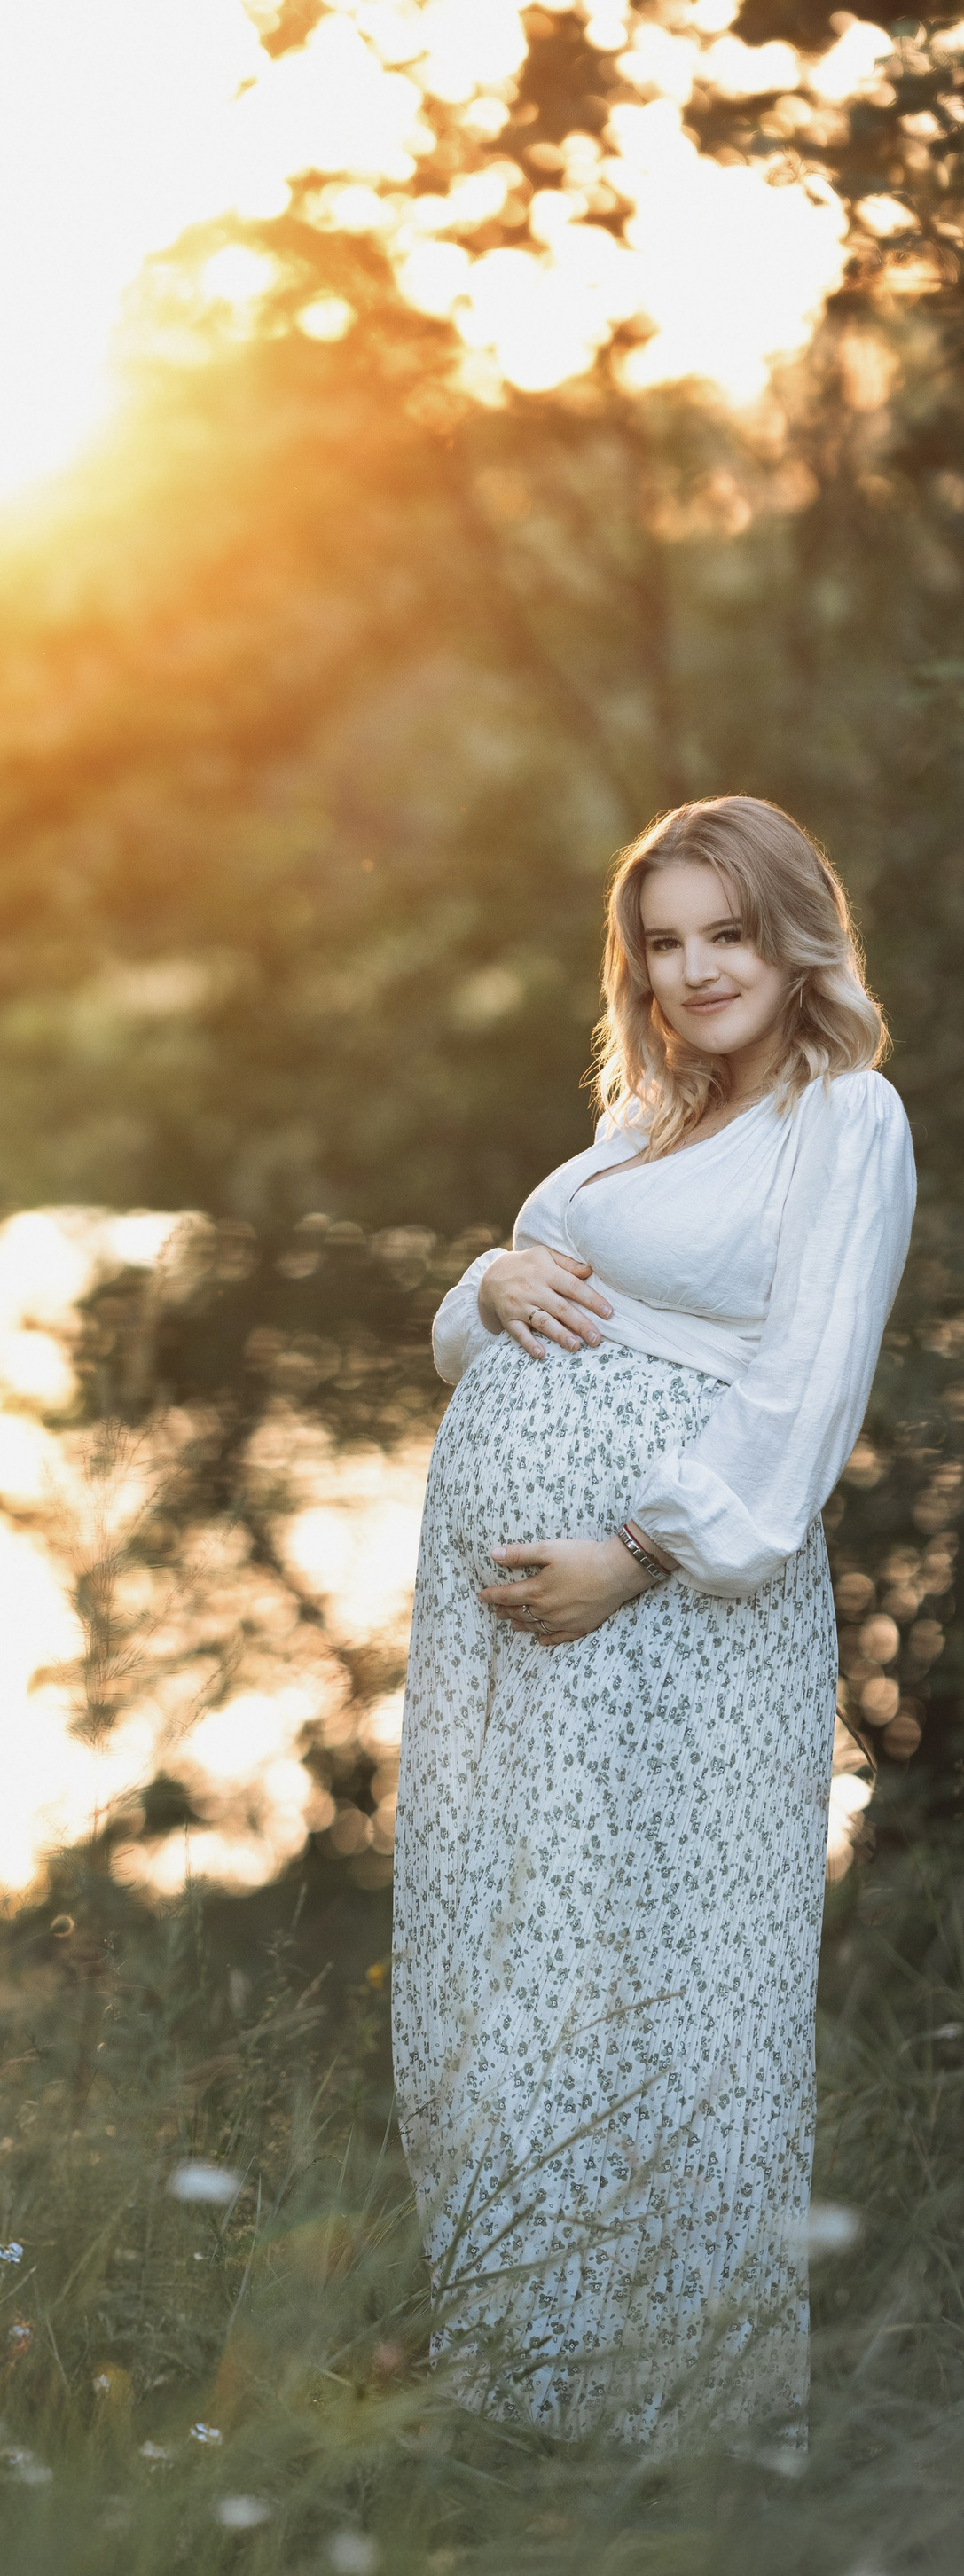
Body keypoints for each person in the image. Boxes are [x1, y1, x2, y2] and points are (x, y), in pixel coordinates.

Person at [392, 795, 915, 2446]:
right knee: (516, 1976)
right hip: (522, 1650)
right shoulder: (639, 1127)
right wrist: (485, 1281)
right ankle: (519, 2385)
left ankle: (669, 2422)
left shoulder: (845, 1119)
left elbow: (806, 1391)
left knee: (670, 1984)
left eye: (726, 935)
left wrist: (637, 1550)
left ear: (792, 936)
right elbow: (474, 1339)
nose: (694, 972)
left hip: (680, 1619)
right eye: (664, 943)